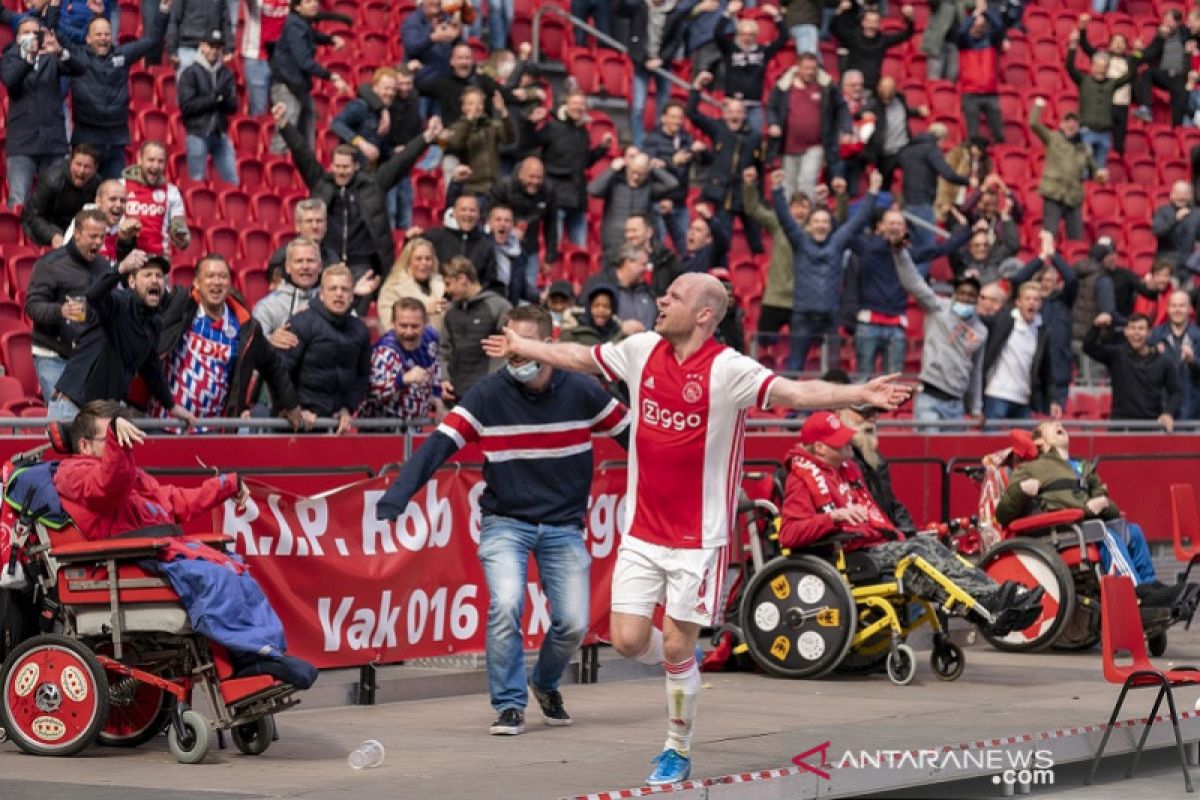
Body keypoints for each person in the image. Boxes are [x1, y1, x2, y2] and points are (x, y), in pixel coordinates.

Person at [481, 272, 910, 785]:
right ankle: (684, 667)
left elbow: (796, 391)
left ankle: (677, 746)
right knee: (626, 640)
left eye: (675, 297)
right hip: (642, 531)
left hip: (698, 539)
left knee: (678, 645)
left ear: (704, 314)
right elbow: (579, 357)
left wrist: (858, 390)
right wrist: (525, 343)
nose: (661, 300)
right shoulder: (640, 349)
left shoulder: (728, 370)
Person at [378, 305, 629, 736]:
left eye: (521, 348)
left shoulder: (583, 391)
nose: (514, 358)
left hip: (563, 524)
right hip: (505, 522)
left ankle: (545, 683)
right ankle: (509, 704)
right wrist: (396, 498)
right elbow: (437, 446)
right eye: (508, 348)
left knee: (572, 623)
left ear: (546, 345)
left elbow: (638, 439)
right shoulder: (488, 395)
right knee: (507, 604)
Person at [778, 411, 1042, 632]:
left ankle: (993, 601)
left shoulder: (848, 470)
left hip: (870, 545)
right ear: (821, 448)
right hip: (848, 556)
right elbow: (789, 534)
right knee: (918, 553)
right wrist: (831, 517)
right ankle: (989, 606)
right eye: (840, 440)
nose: (849, 442)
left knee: (929, 546)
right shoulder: (800, 480)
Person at [996, 421, 1184, 607]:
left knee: (1133, 532)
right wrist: (1020, 490)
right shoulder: (1030, 468)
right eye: (1051, 425)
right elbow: (1003, 514)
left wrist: (1103, 503)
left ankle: (1151, 587)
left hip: (1085, 523)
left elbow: (1107, 503)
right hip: (1062, 530)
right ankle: (1136, 594)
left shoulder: (1083, 467)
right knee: (1105, 534)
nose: (1058, 424)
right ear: (1039, 442)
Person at [274, 103, 440, 293]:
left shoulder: (372, 185)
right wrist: (285, 125)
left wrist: (426, 138)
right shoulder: (322, 184)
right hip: (329, 259)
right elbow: (302, 153)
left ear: (356, 167)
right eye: (337, 166)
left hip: (363, 261)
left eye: (345, 167)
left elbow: (400, 163)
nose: (341, 171)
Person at [53, 251, 196, 428]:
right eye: (147, 274)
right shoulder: (118, 303)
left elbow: (151, 369)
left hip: (103, 413)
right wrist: (119, 269)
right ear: (131, 282)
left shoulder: (154, 323)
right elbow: (93, 296)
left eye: (159, 276)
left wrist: (171, 406)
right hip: (73, 406)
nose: (154, 280)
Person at [156, 254, 302, 426]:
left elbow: (272, 363)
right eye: (210, 276)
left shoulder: (246, 327)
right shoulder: (178, 307)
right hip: (164, 425)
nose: (217, 282)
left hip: (214, 432)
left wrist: (290, 404)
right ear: (197, 283)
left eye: (223, 277)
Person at [771, 168, 882, 371]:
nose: (821, 225)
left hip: (830, 315)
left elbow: (858, 222)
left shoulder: (837, 242)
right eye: (817, 222)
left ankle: (831, 403)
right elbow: (785, 220)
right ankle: (789, 404)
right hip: (803, 315)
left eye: (825, 222)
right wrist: (777, 190)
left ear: (831, 226)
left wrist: (873, 191)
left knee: (833, 368)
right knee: (794, 367)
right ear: (809, 225)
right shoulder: (800, 241)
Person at [68, 0, 171, 179]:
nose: (103, 38)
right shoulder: (77, 57)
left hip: (115, 142)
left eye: (107, 34)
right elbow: (55, 33)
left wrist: (163, 10)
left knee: (113, 195)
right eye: (98, 34)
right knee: (85, 199)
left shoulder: (121, 56)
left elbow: (153, 40)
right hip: (86, 142)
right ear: (88, 38)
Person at [25, 209, 120, 403]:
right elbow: (32, 307)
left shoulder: (103, 266)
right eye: (92, 236)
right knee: (62, 415)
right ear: (76, 233)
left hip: (89, 356)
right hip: (53, 355)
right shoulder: (50, 264)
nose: (98, 242)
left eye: (101, 237)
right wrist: (60, 311)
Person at [893, 247, 988, 428]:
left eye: (971, 296)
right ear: (954, 295)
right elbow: (913, 283)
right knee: (929, 453)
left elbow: (976, 371)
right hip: (930, 397)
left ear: (977, 300)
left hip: (956, 404)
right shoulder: (938, 309)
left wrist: (975, 408)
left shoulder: (981, 331)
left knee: (953, 454)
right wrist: (900, 253)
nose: (965, 299)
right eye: (962, 294)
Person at [275, 265, 370, 435]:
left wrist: (348, 407)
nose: (339, 294)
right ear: (321, 293)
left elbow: (363, 376)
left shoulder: (360, 330)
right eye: (333, 288)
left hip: (335, 425)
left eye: (345, 289)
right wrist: (293, 408)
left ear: (351, 295)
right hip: (295, 425)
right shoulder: (301, 323)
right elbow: (280, 371)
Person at [2, 19, 81, 207]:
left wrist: (60, 51)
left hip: (53, 142)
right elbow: (11, 81)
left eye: (34, 32)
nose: (30, 35)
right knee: (19, 200)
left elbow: (80, 68)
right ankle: (21, 237)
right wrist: (29, 57)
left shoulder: (51, 57)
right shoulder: (9, 58)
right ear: (18, 37)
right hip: (22, 143)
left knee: (55, 200)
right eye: (25, 32)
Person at [688, 70, 765, 254]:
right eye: (731, 111)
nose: (734, 115)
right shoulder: (718, 129)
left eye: (738, 112)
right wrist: (697, 86)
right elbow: (692, 113)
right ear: (724, 113)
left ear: (744, 114)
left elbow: (760, 167)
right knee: (723, 242)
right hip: (722, 195)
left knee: (757, 243)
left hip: (745, 196)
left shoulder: (754, 137)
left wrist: (756, 188)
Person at [268, 0, 348, 154]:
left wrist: (330, 39)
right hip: (287, 86)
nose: (314, 4)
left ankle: (306, 168)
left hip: (298, 86)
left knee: (307, 126)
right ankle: (277, 166)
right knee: (287, 129)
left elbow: (311, 34)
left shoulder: (301, 22)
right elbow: (304, 61)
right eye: (308, 1)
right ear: (297, 7)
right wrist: (331, 76)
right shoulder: (293, 25)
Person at [764, 52, 844, 205]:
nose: (809, 72)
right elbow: (771, 107)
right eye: (806, 68)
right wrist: (773, 123)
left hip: (815, 145)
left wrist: (845, 128)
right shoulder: (783, 87)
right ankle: (790, 220)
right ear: (798, 68)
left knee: (807, 181)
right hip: (789, 146)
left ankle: (808, 218)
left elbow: (841, 107)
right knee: (789, 185)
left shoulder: (825, 87)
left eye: (812, 68)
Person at [1085, 312, 1180, 430]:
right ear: (1126, 332)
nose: (1136, 333)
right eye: (1132, 328)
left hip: (1151, 426)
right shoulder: (1116, 355)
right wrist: (1096, 326)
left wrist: (1168, 412)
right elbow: (1088, 348)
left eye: (1141, 328)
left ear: (1149, 332)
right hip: (1119, 425)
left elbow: (1175, 392)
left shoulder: (1163, 361)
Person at [439, 257, 512, 405]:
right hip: (456, 397)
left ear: (462, 278)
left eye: (448, 284)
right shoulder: (450, 312)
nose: (446, 290)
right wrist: (445, 378)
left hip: (491, 396)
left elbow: (510, 349)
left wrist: (495, 384)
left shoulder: (499, 307)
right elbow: (445, 350)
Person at [980, 281, 1056, 420]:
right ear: (1018, 302)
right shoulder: (1004, 320)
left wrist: (1052, 400)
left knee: (1024, 441)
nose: (1031, 303)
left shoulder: (1041, 331)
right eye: (1027, 299)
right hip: (997, 394)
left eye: (1036, 299)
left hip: (1023, 399)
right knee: (992, 440)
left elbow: (1046, 370)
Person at [1031, 99, 1105, 242]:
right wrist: (1038, 106)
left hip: (1073, 196)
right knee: (1049, 235)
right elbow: (1034, 123)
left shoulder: (1084, 148)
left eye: (1074, 122)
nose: (1071, 124)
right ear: (1061, 124)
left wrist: (1100, 175)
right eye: (1068, 121)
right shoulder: (1053, 138)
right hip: (1054, 193)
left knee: (1076, 237)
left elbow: (1094, 171)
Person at [359, 297, 442, 424]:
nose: (409, 332)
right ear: (393, 323)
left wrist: (436, 397)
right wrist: (402, 379)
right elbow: (372, 389)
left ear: (425, 323)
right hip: (380, 431)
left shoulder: (432, 340)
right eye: (403, 326)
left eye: (415, 326)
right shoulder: (385, 351)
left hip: (414, 428)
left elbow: (436, 370)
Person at [588, 151, 679, 260]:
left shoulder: (649, 188)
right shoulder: (615, 183)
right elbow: (593, 189)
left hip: (639, 242)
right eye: (633, 172)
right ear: (627, 167)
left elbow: (672, 184)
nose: (635, 177)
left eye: (641, 174)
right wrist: (612, 170)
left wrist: (654, 169)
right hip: (614, 240)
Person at [1065, 28, 1135, 169]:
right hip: (1087, 131)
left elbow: (1130, 75)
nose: (1100, 69)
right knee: (1084, 169)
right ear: (1092, 66)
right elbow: (1070, 67)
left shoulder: (1111, 84)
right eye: (1097, 66)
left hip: (1104, 133)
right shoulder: (1084, 80)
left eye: (1103, 67)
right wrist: (1072, 46)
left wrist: (1137, 54)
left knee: (1100, 170)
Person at [177, 29, 238, 185]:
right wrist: (215, 99)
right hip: (197, 132)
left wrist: (221, 100)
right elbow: (187, 106)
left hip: (219, 132)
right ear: (202, 46)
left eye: (217, 47)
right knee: (197, 181)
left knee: (232, 181)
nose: (214, 50)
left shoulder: (226, 73)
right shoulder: (190, 73)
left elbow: (233, 106)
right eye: (211, 46)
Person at [21, 144, 101, 247]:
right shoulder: (52, 180)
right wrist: (52, 235)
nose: (81, 171)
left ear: (95, 169)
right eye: (78, 164)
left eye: (87, 167)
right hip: (47, 228)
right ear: (70, 162)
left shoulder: (97, 183)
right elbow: (32, 215)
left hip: (75, 231)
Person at [121, 141, 190, 257]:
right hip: (125, 257)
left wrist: (182, 237)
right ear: (139, 159)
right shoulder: (121, 186)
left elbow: (179, 224)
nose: (155, 166)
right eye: (151, 160)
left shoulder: (171, 192)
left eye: (160, 161)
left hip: (157, 259)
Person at [831, 1, 915, 91]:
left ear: (879, 24)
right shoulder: (853, 37)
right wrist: (840, 11)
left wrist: (909, 19)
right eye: (869, 21)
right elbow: (834, 29)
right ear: (863, 22)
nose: (872, 25)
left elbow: (906, 34)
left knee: (888, 85)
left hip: (873, 86)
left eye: (875, 22)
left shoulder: (883, 40)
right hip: (853, 85)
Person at [581, 245, 659, 334]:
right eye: (643, 264)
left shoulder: (647, 290)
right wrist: (618, 327)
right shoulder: (598, 283)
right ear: (628, 262)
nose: (646, 270)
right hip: (611, 343)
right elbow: (584, 316)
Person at [378, 237, 446, 331]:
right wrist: (423, 311)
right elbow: (389, 327)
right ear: (408, 261)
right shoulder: (392, 288)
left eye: (428, 259)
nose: (424, 263)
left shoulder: (444, 286)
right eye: (418, 259)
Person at [1151, 290, 1200, 420]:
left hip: (1194, 411)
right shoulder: (1155, 336)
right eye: (1174, 306)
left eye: (1182, 306)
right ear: (1167, 308)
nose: (1177, 310)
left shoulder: (1199, 336)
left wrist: (1193, 361)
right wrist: (1154, 358)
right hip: (1162, 411)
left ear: (1190, 309)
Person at [1152, 181, 1200, 280]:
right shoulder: (1163, 212)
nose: (1181, 198)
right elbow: (1157, 231)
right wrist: (1175, 219)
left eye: (1185, 194)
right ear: (1172, 195)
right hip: (1167, 264)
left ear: (1190, 196)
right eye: (1178, 194)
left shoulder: (1197, 214)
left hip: (1189, 265)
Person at [165, 0, 231, 73]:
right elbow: (174, 20)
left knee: (211, 83)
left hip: (212, 47)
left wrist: (228, 49)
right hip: (187, 48)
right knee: (186, 83)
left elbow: (226, 22)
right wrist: (172, 50)